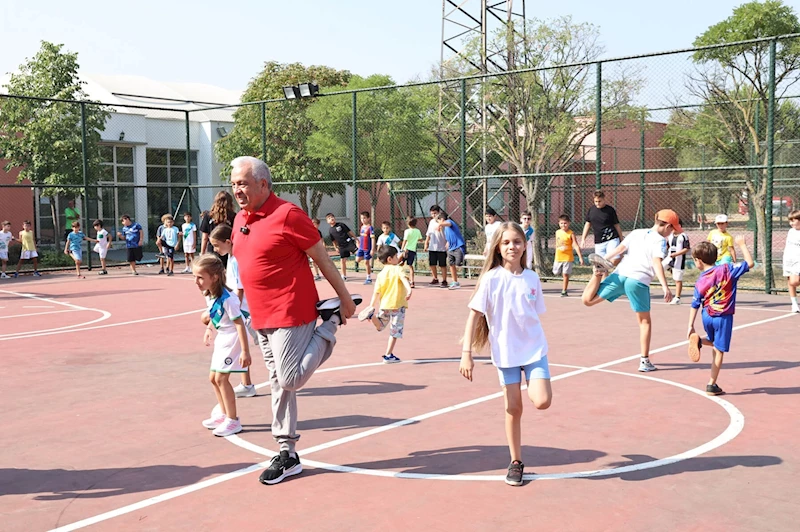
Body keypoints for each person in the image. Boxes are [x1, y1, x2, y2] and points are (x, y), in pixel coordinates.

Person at [229, 156, 359, 485]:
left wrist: (343, 298)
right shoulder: (240, 218)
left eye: (242, 183)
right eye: (233, 185)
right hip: (259, 314)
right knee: (277, 382)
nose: (237, 190)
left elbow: (322, 259)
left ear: (263, 184)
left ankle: (329, 322)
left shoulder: (289, 215)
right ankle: (287, 453)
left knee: (289, 379)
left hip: (291, 308)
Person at [459, 221, 551, 487]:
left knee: (542, 401)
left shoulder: (532, 278)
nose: (512, 246)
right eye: (507, 242)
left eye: (517, 241)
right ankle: (516, 461)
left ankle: (533, 382)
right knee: (513, 408)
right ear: (498, 248)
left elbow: (533, 314)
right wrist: (466, 353)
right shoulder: (491, 279)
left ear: (525, 245)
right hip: (506, 354)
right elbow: (474, 316)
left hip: (534, 350)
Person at [583, 210, 679, 372]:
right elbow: (656, 263)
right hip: (638, 280)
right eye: (673, 229)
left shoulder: (636, 232)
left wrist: (604, 260)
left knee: (588, 301)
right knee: (645, 322)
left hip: (620, 274)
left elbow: (619, 249)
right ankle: (645, 361)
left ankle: (598, 273)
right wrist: (665, 286)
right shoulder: (660, 241)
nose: (672, 233)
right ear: (668, 226)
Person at [687, 237, 754, 395]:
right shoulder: (727, 269)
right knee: (719, 350)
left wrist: (690, 325)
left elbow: (695, 304)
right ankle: (712, 384)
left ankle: (699, 341)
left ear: (699, 261)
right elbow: (750, 263)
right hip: (723, 317)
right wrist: (742, 245)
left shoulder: (700, 280)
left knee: (712, 341)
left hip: (707, 315)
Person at [194, 254, 252, 437]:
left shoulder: (229, 299)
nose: (196, 281)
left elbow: (239, 324)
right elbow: (214, 314)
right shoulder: (210, 294)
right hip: (223, 337)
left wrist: (245, 351)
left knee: (221, 379)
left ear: (214, 277)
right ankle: (223, 413)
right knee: (213, 378)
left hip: (233, 339)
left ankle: (233, 420)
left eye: (200, 277)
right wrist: (209, 328)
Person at [210, 223, 259, 398]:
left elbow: (240, 288)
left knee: (262, 346)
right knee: (241, 348)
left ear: (228, 241)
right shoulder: (231, 257)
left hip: (244, 311)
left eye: (217, 245)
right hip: (241, 310)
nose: (215, 249)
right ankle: (247, 384)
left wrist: (233, 310)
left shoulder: (237, 260)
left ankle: (282, 377)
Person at [359, 245, 412, 364]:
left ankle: (372, 316)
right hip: (398, 304)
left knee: (380, 326)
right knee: (395, 331)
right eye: (396, 256)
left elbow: (376, 292)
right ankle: (388, 355)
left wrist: (371, 306)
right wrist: (409, 290)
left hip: (384, 304)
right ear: (390, 259)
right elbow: (404, 280)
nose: (398, 258)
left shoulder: (381, 274)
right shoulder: (398, 269)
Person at [580, 190, 624, 268]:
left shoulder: (610, 210)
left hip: (612, 239)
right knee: (600, 266)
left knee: (614, 259)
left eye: (599, 201)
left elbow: (616, 225)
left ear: (604, 199)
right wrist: (583, 239)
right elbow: (587, 224)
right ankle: (604, 275)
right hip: (599, 241)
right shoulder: (591, 210)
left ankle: (621, 262)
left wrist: (621, 238)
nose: (597, 203)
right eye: (595, 201)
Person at [200, 191, 237, 265]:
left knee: (213, 269)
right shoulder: (233, 216)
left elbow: (204, 237)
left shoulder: (208, 216)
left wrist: (202, 252)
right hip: (227, 248)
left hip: (213, 248)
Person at [553, 214, 584, 297]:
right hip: (558, 257)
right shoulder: (557, 232)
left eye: (565, 223)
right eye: (561, 223)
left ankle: (564, 290)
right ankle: (560, 272)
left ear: (569, 223)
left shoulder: (571, 233)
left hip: (567, 257)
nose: (563, 225)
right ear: (559, 223)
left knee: (565, 274)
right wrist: (557, 250)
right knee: (555, 272)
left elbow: (576, 245)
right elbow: (557, 244)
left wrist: (580, 257)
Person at [436, 211, 466, 290]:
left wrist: (439, 225)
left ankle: (463, 258)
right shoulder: (445, 229)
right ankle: (455, 282)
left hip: (458, 247)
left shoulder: (450, 222)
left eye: (438, 221)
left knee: (458, 264)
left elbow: (447, 224)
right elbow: (449, 237)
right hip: (451, 249)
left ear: (442, 219)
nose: (438, 223)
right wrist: (447, 243)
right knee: (451, 264)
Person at [326, 213, 357, 281]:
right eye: (329, 218)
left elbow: (349, 232)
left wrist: (356, 239)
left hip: (349, 242)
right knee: (343, 260)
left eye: (332, 217)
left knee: (358, 254)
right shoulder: (330, 230)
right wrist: (335, 247)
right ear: (327, 221)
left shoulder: (341, 225)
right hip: (341, 246)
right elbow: (333, 240)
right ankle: (343, 276)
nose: (331, 218)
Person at [666, 223, 690, 305]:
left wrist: (676, 254)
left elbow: (687, 248)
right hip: (669, 258)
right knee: (658, 268)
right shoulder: (670, 236)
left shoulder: (683, 236)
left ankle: (677, 298)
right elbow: (667, 246)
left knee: (677, 279)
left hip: (679, 261)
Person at [424, 205, 448, 287]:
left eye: (435, 213)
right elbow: (428, 234)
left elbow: (447, 233)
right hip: (432, 247)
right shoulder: (431, 222)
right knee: (432, 264)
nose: (433, 215)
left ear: (439, 213)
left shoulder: (443, 221)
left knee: (442, 265)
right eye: (432, 213)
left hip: (442, 247)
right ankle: (435, 278)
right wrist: (426, 243)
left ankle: (444, 280)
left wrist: (447, 242)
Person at [783, 209, 800, 313]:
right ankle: (794, 304)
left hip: (798, 260)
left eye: (793, 220)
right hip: (789, 259)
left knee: (795, 281)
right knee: (790, 281)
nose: (791, 223)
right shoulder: (791, 231)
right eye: (790, 221)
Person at [401, 217, 424, 288]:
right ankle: (412, 282)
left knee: (400, 264)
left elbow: (405, 240)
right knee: (410, 266)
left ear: (407, 223)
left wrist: (402, 249)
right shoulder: (418, 231)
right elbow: (420, 239)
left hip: (406, 250)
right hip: (413, 251)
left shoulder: (407, 231)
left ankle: (399, 278)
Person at [355, 211, 376, 285]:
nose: (362, 220)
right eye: (361, 218)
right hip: (361, 247)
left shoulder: (370, 228)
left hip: (367, 248)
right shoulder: (362, 227)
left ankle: (368, 278)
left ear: (368, 219)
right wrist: (358, 243)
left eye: (364, 218)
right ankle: (365, 258)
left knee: (366, 263)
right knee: (357, 260)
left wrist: (372, 249)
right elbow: (361, 237)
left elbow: (373, 239)